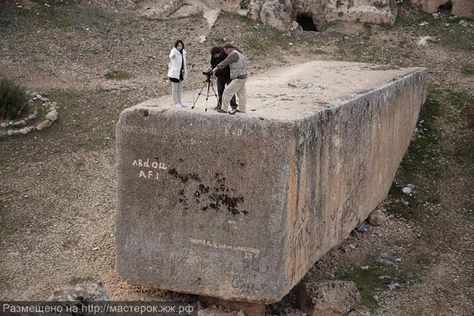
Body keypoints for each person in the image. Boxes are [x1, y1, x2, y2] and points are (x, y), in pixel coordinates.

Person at [211, 43, 247, 115]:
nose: (225, 52)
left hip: (238, 77)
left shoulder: (233, 54)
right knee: (241, 94)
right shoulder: (240, 53)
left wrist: (215, 69)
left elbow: (225, 62)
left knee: (227, 92)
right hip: (244, 76)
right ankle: (242, 109)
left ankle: (224, 109)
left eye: (225, 50)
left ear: (229, 49)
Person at [209, 46, 237, 113]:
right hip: (220, 76)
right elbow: (213, 64)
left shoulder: (225, 55)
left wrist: (216, 73)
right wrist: (213, 71)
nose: (215, 56)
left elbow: (225, 67)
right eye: (214, 55)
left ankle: (233, 106)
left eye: (216, 55)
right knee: (220, 90)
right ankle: (219, 105)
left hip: (228, 75)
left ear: (219, 53)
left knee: (230, 90)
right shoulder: (213, 56)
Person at [167, 40, 188, 108]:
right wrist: (173, 52)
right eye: (178, 45)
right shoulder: (174, 51)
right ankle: (175, 102)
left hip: (181, 72)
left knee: (179, 88)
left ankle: (179, 101)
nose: (180, 47)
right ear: (176, 46)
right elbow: (170, 56)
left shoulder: (183, 52)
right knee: (174, 88)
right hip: (174, 73)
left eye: (181, 45)